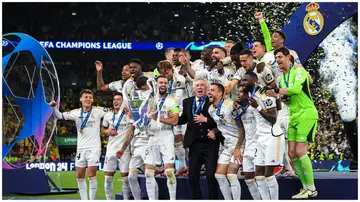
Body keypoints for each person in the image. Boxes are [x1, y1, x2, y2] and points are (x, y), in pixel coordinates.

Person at [267, 47, 318, 199]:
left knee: (301, 151)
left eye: (280, 57)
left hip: (306, 113)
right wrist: (281, 97)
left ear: (289, 57)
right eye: (276, 59)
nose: (278, 61)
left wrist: (277, 92)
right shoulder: (282, 79)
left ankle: (312, 189)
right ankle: (305, 187)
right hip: (294, 115)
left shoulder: (299, 71)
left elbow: (296, 90)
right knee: (291, 153)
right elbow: (289, 99)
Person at [49, 89, 108, 200]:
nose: (88, 99)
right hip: (81, 149)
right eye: (86, 97)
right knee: (79, 176)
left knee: (91, 175)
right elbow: (60, 116)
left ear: (93, 100)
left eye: (90, 97)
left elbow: (112, 111)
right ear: (81, 99)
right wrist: (53, 107)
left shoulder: (98, 111)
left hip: (94, 148)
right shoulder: (76, 112)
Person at [175, 78, 223, 199]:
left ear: (206, 88)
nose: (200, 87)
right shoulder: (187, 102)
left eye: (202, 85)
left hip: (210, 143)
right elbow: (183, 119)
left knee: (210, 175)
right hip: (194, 143)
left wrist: (206, 120)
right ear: (193, 88)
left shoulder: (212, 101)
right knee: (192, 176)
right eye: (197, 86)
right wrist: (172, 116)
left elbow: (220, 120)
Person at [243, 71, 285, 200]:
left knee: (268, 174)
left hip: (272, 136)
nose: (242, 82)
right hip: (261, 138)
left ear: (254, 81)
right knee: (259, 175)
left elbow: (273, 118)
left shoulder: (264, 94)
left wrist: (257, 107)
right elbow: (278, 106)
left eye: (245, 80)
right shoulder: (253, 94)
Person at [144, 75, 180, 200]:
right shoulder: (148, 99)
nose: (163, 85)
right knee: (148, 173)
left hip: (166, 137)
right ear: (156, 84)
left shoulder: (172, 100)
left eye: (165, 83)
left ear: (168, 85)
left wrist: (158, 117)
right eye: (161, 83)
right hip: (152, 136)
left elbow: (175, 121)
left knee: (169, 172)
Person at [208, 83, 242, 200]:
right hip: (227, 145)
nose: (209, 92)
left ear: (220, 93)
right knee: (219, 175)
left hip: (239, 143)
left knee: (231, 175)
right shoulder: (211, 109)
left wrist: (238, 148)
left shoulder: (230, 105)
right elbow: (221, 125)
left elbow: (242, 128)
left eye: (212, 90)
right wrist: (214, 131)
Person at [157, 60, 188, 176]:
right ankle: (181, 166)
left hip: (180, 111)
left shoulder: (179, 79)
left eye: (167, 72)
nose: (166, 75)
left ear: (171, 69)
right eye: (162, 73)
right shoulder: (162, 81)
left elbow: (178, 98)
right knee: (175, 139)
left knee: (183, 140)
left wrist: (171, 110)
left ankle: (185, 165)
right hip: (169, 111)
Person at [232, 82, 262, 200]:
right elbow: (242, 130)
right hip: (249, 145)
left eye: (240, 92)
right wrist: (238, 148)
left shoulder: (254, 107)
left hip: (259, 145)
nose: (237, 94)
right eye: (237, 92)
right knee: (248, 178)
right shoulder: (240, 110)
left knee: (260, 177)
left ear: (247, 94)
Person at [102, 92, 133, 200]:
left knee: (125, 179)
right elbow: (103, 129)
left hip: (124, 150)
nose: (115, 101)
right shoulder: (108, 115)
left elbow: (134, 127)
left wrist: (129, 113)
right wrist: (107, 131)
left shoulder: (129, 115)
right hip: (110, 150)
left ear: (123, 102)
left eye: (118, 99)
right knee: (108, 179)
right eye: (114, 99)